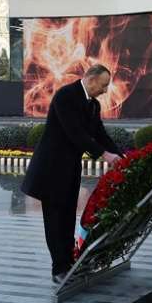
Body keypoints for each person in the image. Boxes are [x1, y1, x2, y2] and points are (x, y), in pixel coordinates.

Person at [21, 64, 124, 284]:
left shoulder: (93, 105)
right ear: (92, 79)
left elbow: (99, 134)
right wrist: (104, 156)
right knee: (54, 220)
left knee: (68, 218)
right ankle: (58, 269)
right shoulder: (65, 96)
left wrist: (121, 157)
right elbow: (75, 133)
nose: (105, 90)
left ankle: (69, 264)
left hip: (70, 170)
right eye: (104, 85)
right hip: (50, 169)